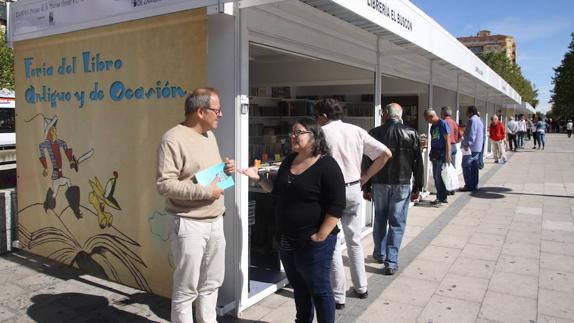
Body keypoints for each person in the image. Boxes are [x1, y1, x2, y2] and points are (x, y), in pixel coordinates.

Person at [240, 118, 345, 323]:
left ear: (313, 136)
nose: (293, 136)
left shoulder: (327, 165)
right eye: (292, 132)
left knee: (319, 289)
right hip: (287, 238)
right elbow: (277, 190)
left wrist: (320, 236)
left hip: (314, 241)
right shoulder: (290, 160)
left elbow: (337, 206)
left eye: (298, 132)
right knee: (299, 286)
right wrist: (258, 179)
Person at [156, 88, 236, 323]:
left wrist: (224, 169)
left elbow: (201, 173)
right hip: (189, 223)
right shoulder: (172, 139)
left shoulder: (210, 136)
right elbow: (164, 184)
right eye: (217, 110)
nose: (220, 114)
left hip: (215, 221)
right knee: (186, 290)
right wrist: (205, 191)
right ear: (201, 112)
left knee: (212, 284)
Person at [315, 98, 392, 309]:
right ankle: (361, 287)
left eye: (317, 115)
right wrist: (366, 175)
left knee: (331, 243)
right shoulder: (356, 130)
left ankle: (338, 296)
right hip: (353, 188)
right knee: (354, 241)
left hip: (330, 192)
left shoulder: (322, 133)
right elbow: (386, 154)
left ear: (323, 115)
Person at [363, 103, 423, 275]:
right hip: (402, 183)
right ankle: (391, 261)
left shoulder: (375, 133)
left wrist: (366, 185)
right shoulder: (411, 133)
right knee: (397, 223)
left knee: (380, 219)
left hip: (379, 182)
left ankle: (380, 254)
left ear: (385, 114)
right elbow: (417, 162)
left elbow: (367, 160)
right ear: (400, 114)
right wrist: (417, 186)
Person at [424, 108, 451, 207]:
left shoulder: (442, 124)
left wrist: (448, 154)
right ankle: (440, 197)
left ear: (431, 116)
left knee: (438, 176)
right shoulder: (433, 126)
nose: (427, 122)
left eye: (427, 119)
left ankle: (442, 198)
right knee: (436, 176)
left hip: (441, 153)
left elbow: (448, 139)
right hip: (435, 153)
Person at [460, 106, 484, 192]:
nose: (466, 113)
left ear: (470, 112)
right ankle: (474, 185)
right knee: (474, 167)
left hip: (471, 148)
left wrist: (467, 144)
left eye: (467, 111)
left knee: (465, 165)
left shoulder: (472, 120)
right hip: (477, 147)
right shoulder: (479, 120)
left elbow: (472, 134)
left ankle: (468, 185)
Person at [440, 106, 462, 195]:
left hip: (446, 147)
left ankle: (447, 189)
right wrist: (455, 141)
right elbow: (460, 137)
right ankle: (452, 188)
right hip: (453, 147)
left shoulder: (442, 123)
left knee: (445, 169)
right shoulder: (454, 123)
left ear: (443, 113)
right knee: (451, 168)